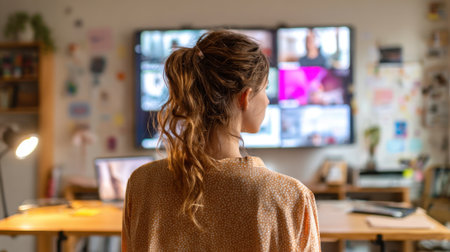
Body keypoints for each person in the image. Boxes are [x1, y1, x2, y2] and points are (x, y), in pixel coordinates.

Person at [122, 30, 321, 251]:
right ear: (244, 98)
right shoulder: (290, 196)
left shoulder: (141, 183)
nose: (266, 100)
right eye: (264, 89)